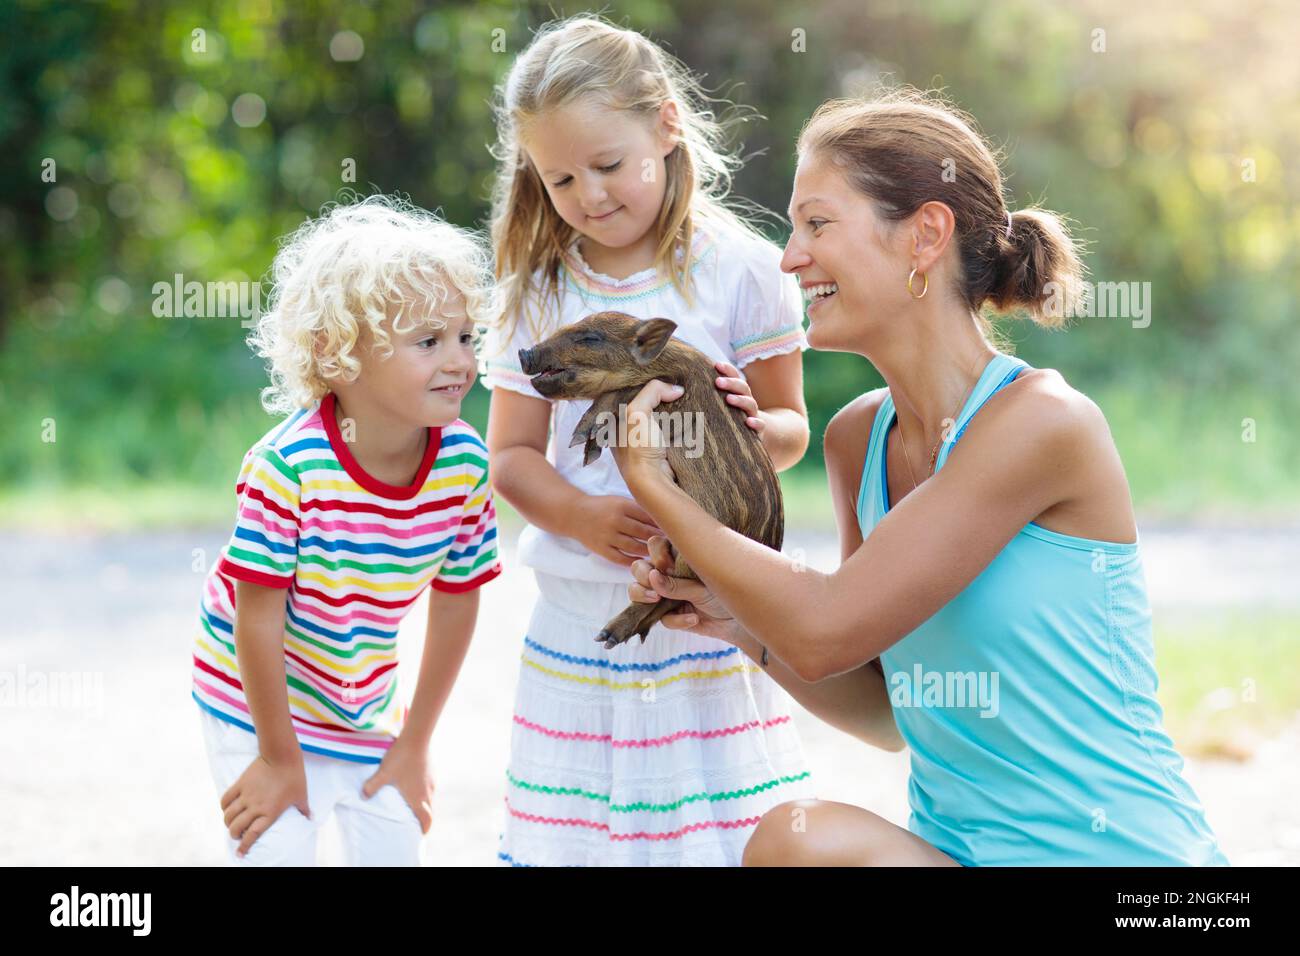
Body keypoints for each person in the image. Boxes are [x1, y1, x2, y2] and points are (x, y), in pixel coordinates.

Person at [615, 90, 1230, 867]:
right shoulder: (857, 440)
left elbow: (822, 627)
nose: (789, 255)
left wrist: (658, 489)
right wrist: (732, 620)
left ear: (925, 235)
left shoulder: (1043, 424)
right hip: (961, 855)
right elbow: (885, 710)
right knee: (798, 844)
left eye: (818, 223)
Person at [482, 15, 816, 866]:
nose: (588, 196)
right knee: (584, 842)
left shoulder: (743, 269)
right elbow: (511, 457)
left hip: (707, 617)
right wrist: (582, 518)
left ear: (666, 125)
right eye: (559, 179)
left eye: (607, 166)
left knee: (710, 842)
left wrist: (755, 422)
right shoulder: (537, 291)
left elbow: (789, 432)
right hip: (581, 619)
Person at [191, 195, 502, 866]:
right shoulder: (289, 468)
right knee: (278, 848)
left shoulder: (465, 462)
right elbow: (258, 621)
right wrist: (278, 758)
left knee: (393, 850)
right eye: (428, 341)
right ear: (338, 356)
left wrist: (415, 742)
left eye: (465, 336)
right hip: (253, 697)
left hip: (360, 703)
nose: (459, 360)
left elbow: (456, 602)